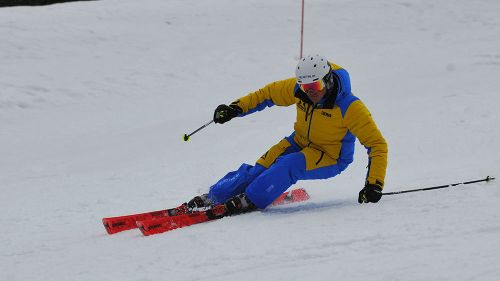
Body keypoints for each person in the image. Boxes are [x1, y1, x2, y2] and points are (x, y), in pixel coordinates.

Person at [188, 54, 388, 215]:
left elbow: (377, 145)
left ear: (327, 81)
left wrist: (374, 185)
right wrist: (235, 108)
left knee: (288, 165)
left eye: (315, 87)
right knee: (261, 167)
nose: (310, 92)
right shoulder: (300, 90)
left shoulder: (350, 106)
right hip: (299, 141)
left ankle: (249, 199)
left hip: (330, 156)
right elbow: (267, 94)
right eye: (305, 87)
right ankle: (214, 196)